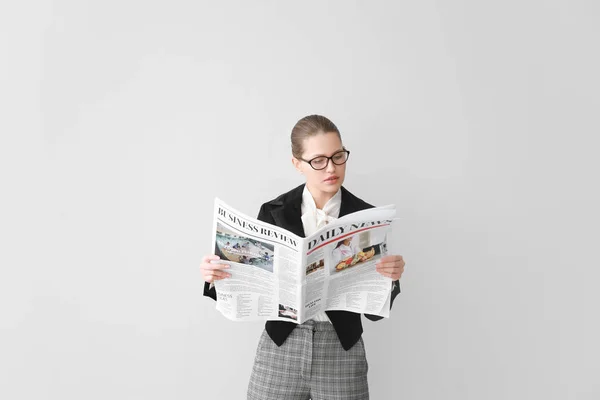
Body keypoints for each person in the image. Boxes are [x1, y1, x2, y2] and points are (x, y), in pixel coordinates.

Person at [200, 115, 405, 400]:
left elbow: (373, 313)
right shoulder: (273, 212)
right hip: (281, 345)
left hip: (341, 350)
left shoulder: (367, 217)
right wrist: (216, 276)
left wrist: (391, 279)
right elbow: (252, 284)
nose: (331, 168)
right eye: (318, 160)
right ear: (297, 164)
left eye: (338, 156)